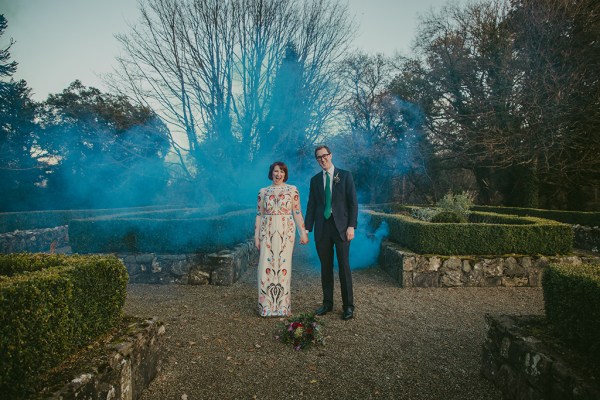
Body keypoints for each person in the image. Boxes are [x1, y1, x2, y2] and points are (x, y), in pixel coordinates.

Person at [305, 145, 358, 320]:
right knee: (325, 268)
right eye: (318, 157)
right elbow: (311, 205)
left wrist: (351, 226)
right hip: (322, 229)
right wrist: (307, 228)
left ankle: (348, 306)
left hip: (342, 228)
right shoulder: (314, 180)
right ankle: (327, 303)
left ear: (331, 155)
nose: (322, 159)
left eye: (324, 155)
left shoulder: (345, 176)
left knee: (344, 267)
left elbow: (353, 204)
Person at [255, 161, 309, 317]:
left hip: (286, 232)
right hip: (267, 231)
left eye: (282, 172)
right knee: (265, 266)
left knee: (283, 267)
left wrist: (303, 233)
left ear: (285, 174)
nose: (278, 174)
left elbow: (297, 212)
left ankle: (282, 307)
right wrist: (256, 236)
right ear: (271, 172)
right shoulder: (263, 192)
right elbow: (259, 215)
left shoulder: (292, 190)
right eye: (276, 171)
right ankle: (265, 307)